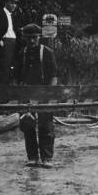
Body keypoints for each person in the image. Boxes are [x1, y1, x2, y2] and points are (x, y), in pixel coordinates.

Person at [15, 23, 58, 167]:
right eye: (28, 38)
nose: (31, 41)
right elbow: (17, 76)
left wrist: (50, 94)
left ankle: (47, 158)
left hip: (44, 92)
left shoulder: (47, 52)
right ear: (24, 38)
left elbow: (53, 75)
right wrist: (21, 91)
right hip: (27, 93)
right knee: (28, 124)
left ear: (39, 37)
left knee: (46, 126)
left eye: (34, 37)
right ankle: (32, 157)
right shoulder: (22, 53)